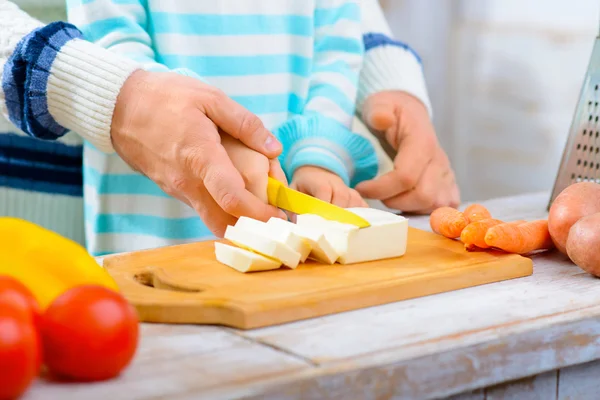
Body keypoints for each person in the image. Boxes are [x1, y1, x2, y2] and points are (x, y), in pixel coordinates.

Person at [0, 0, 459, 255]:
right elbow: (114, 44)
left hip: (291, 245)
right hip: (147, 241)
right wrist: (212, 134)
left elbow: (337, 51)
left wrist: (319, 157)